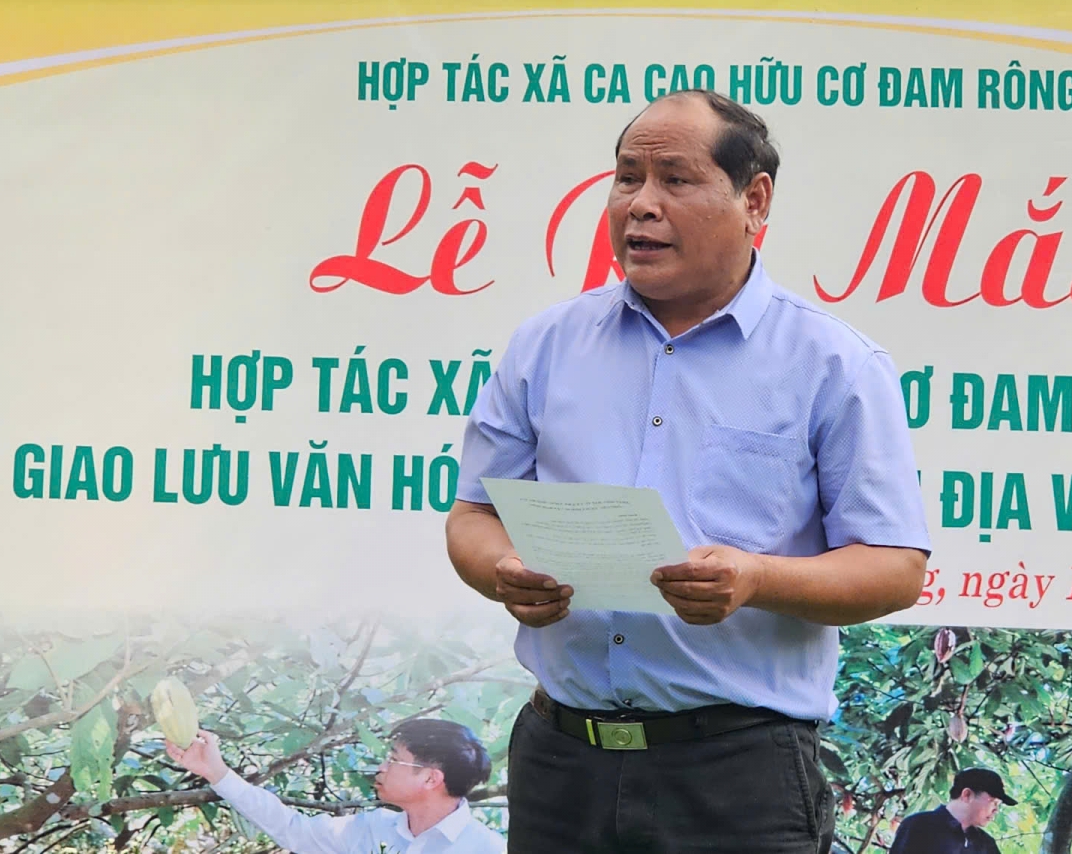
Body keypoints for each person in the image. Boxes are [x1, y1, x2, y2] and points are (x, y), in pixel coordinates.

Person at [445, 88, 931, 853]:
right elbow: (473, 516)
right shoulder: (545, 345)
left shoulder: (834, 363)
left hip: (738, 776)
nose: (640, 205)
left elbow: (895, 568)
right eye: (626, 176)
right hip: (560, 763)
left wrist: (757, 579)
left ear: (754, 199)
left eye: (674, 179)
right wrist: (503, 569)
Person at [164, 718, 505, 854]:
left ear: (431, 778)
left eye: (394, 758)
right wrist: (217, 772)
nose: (381, 767)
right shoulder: (371, 828)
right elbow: (291, 828)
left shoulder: (487, 849)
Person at [886, 768, 1015, 854]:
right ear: (967, 795)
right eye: (993, 802)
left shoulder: (986, 844)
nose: (996, 810)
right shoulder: (919, 825)